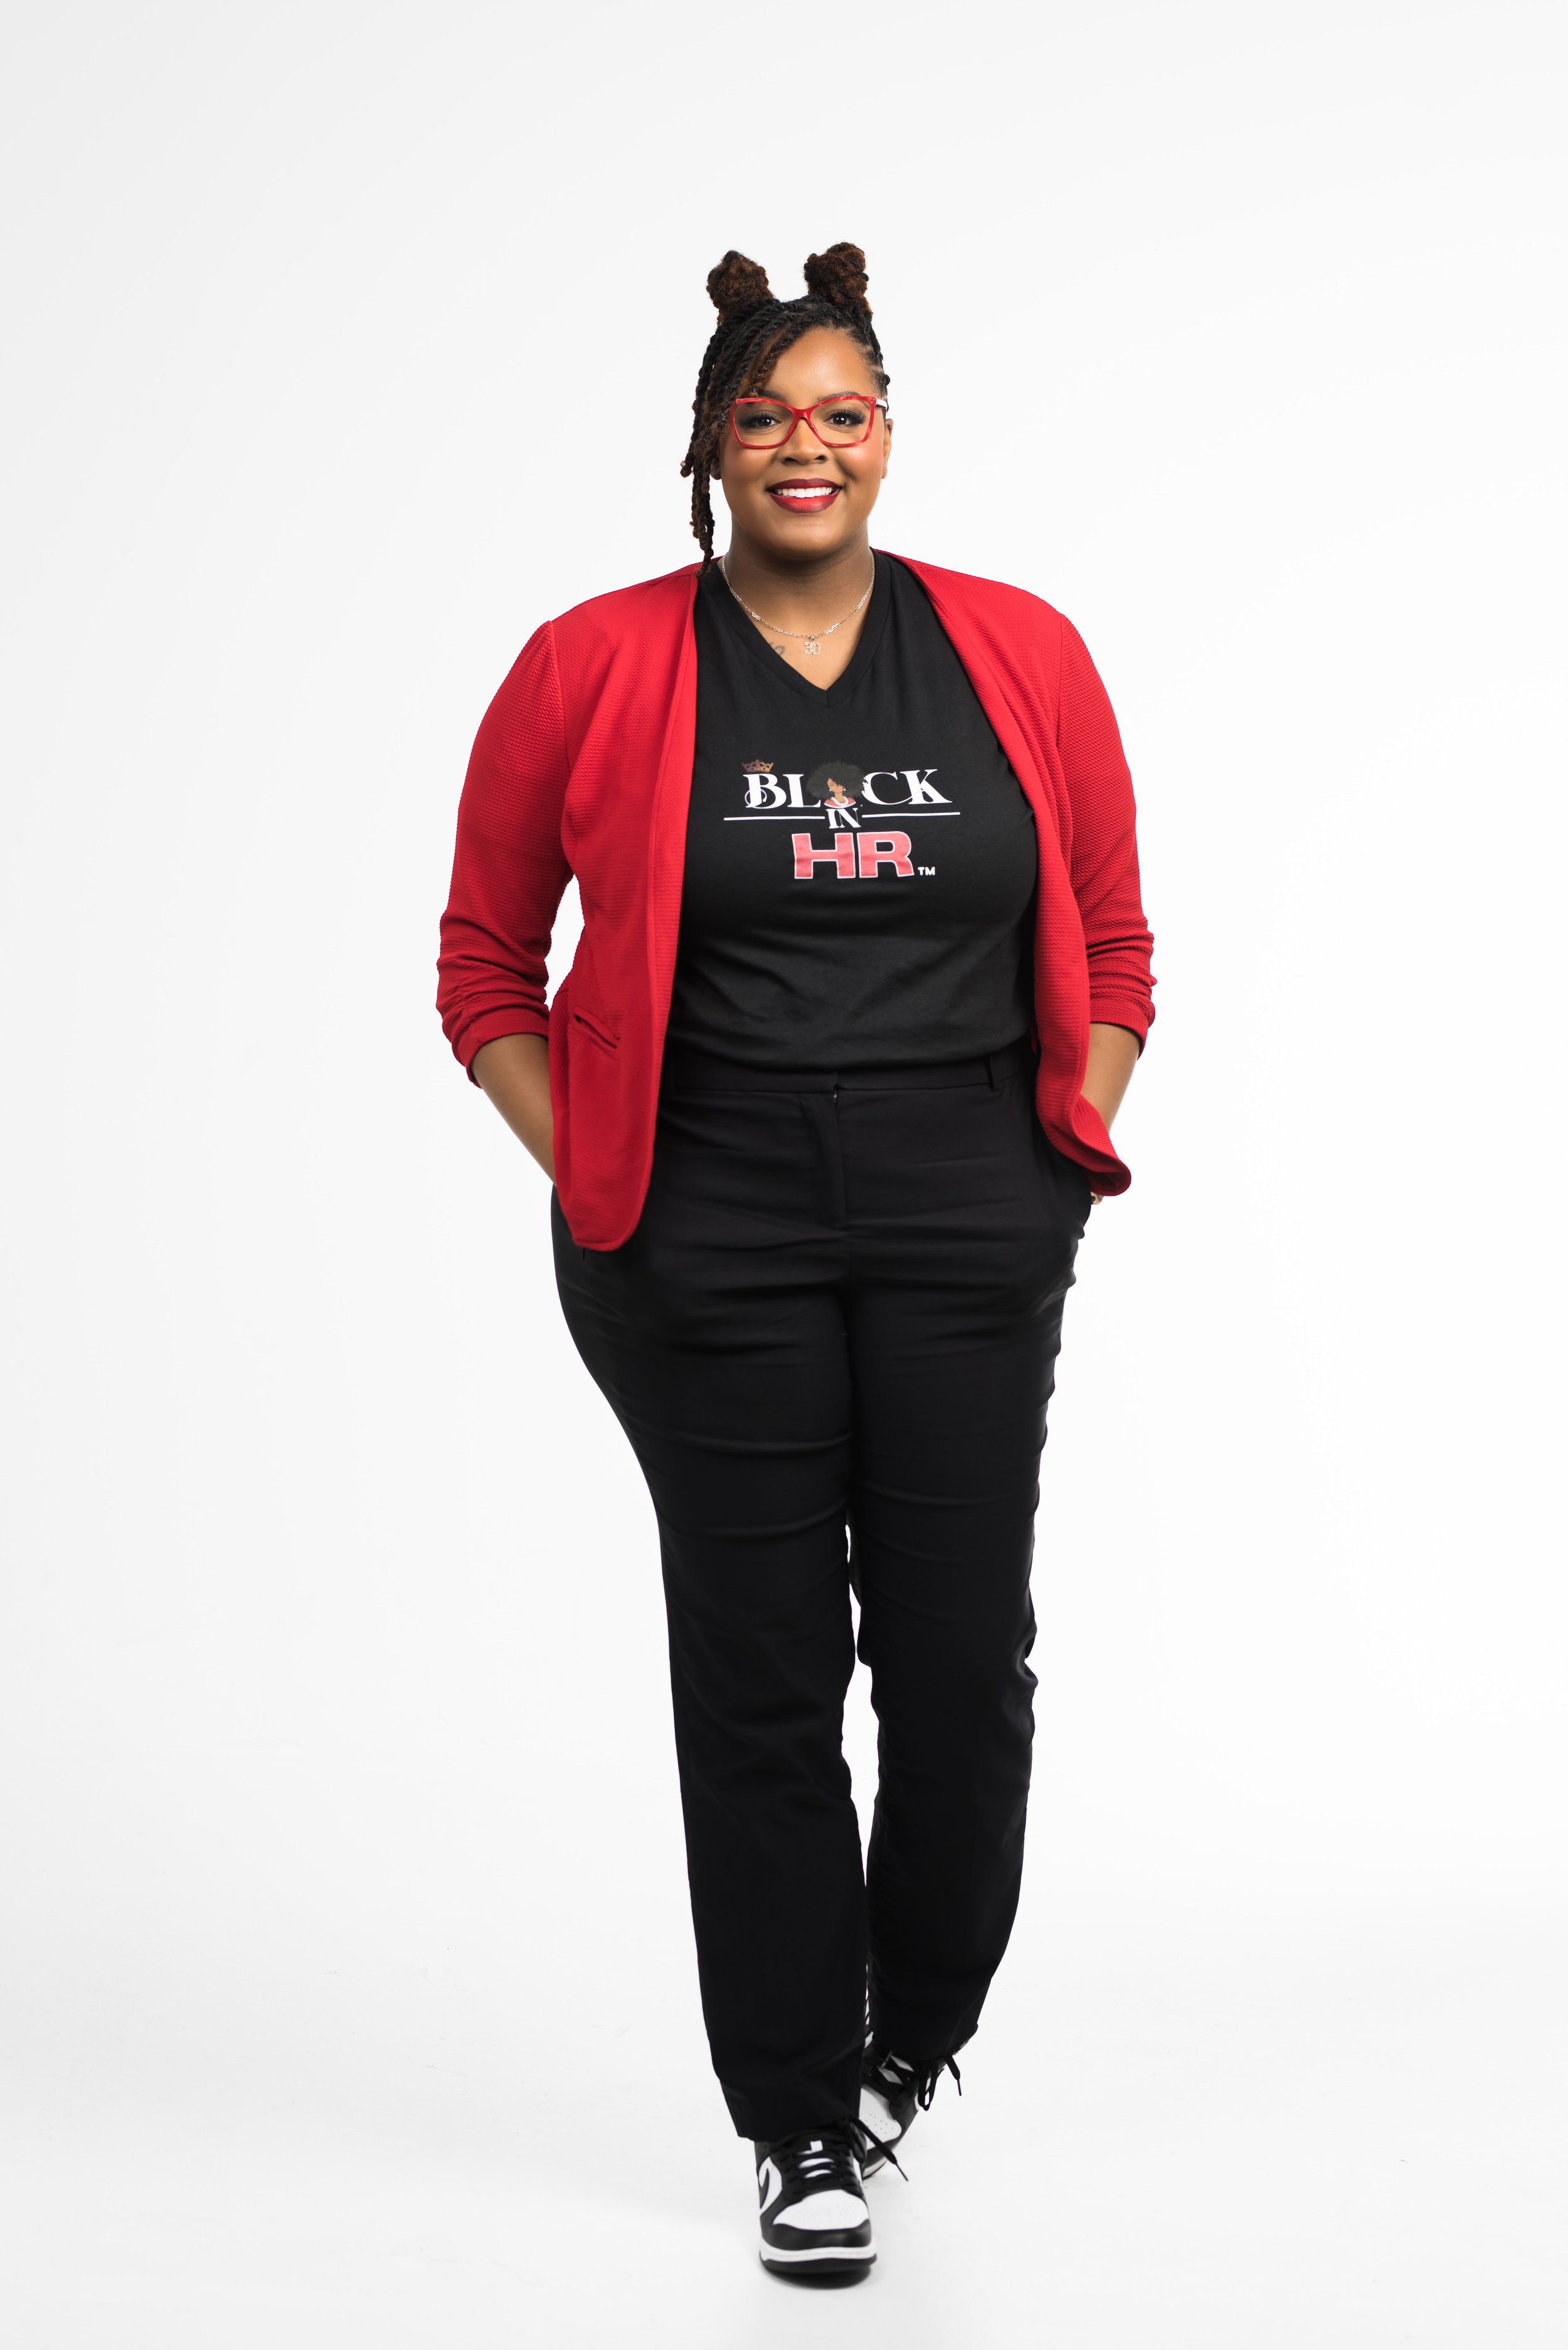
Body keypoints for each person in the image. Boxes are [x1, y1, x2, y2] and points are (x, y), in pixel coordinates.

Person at [437, 243, 1155, 2284]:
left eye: (842, 412)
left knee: (958, 1679)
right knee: (760, 1679)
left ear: (888, 435)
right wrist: (612, 1180)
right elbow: (485, 961)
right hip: (708, 1228)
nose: (806, 446)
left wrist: (1061, 1145)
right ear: (710, 450)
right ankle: (794, 2113)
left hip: (964, 1214)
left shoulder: (1015, 648)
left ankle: (903, 2037)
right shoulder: (591, 662)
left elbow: (1111, 937)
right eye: (765, 417)